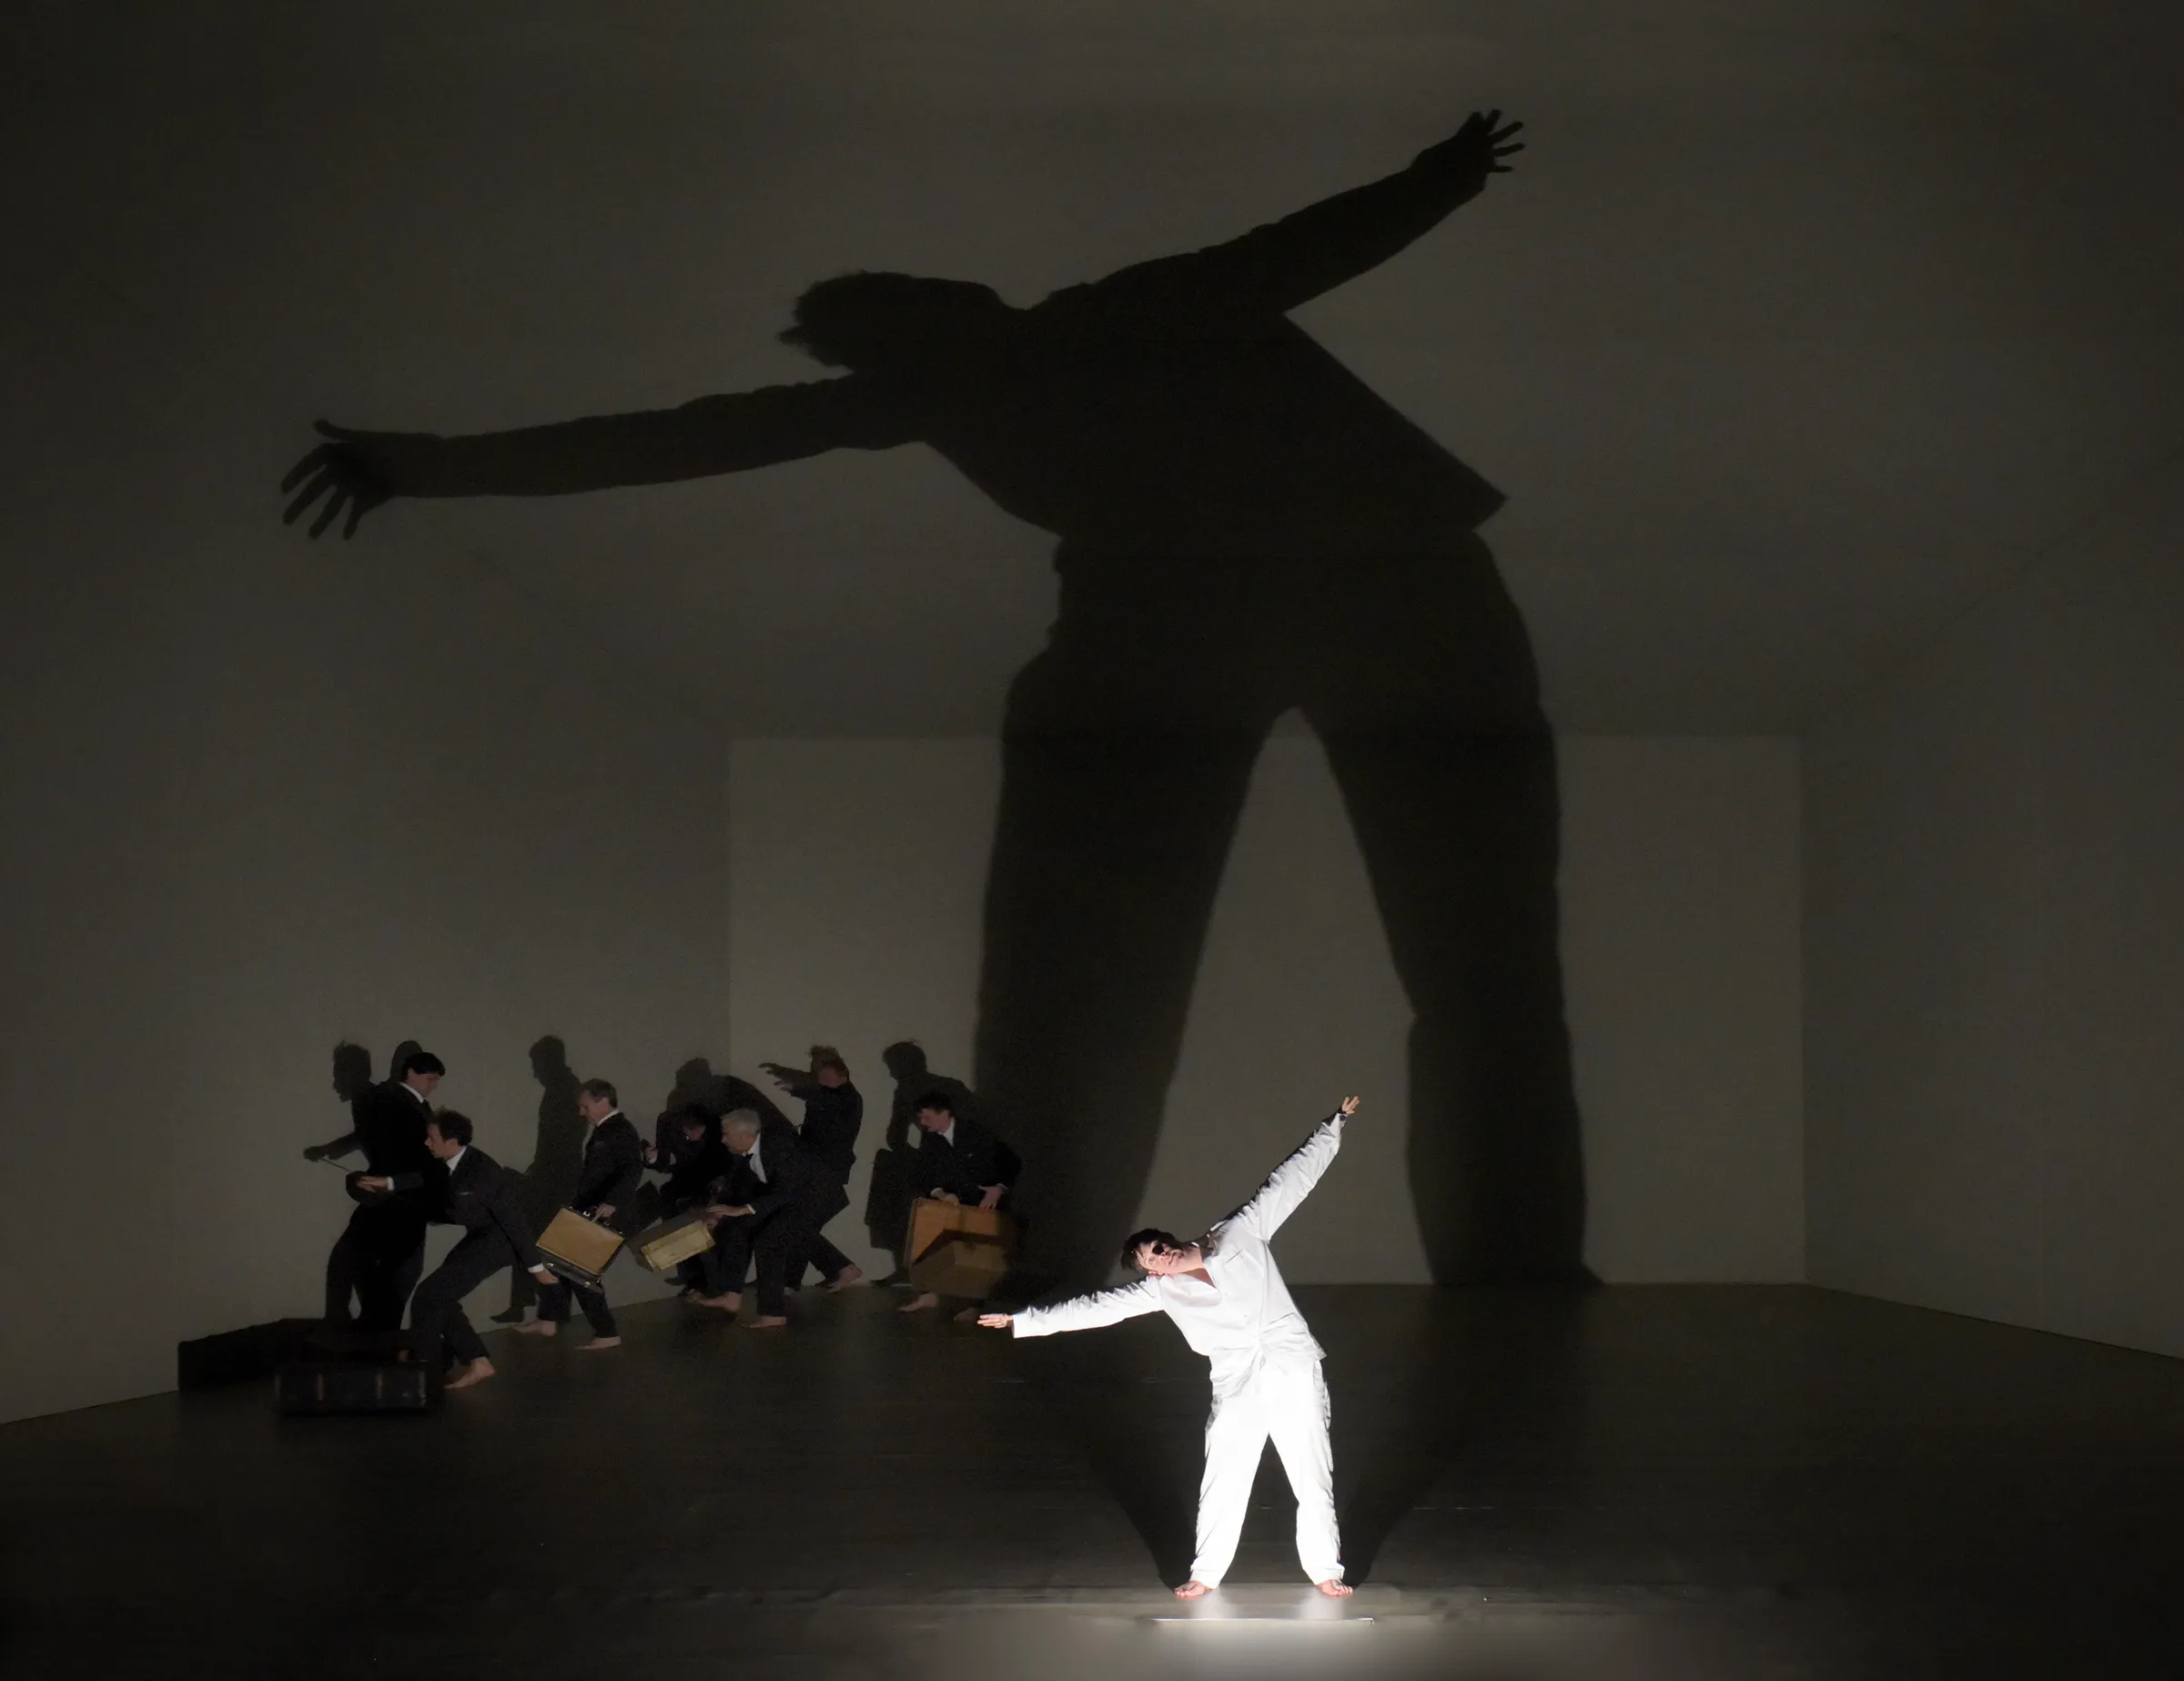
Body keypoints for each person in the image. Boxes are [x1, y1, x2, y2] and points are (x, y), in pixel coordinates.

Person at [281, 110, 1585, 1298]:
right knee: (1118, 982)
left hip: (1387, 581)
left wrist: (1442, 177)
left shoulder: (1112, 318)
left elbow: (1295, 250)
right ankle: (1070, 1262)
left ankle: (1511, 1266)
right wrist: (421, 465)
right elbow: (694, 433)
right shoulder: (959, 385)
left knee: (1474, 961)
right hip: (1225, 611)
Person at [979, 1097, 1362, 1600]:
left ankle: (1325, 1568)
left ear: (1170, 1240)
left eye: (1159, 1247)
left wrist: (1332, 1127)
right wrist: (1024, 1320)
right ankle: (1206, 1571)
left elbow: (1288, 1183)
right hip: (1237, 1382)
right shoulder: (1161, 1291)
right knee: (1224, 1477)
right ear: (1151, 1272)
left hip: (1292, 1366)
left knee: (1312, 1474)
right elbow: (1096, 1308)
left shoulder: (1240, 1232)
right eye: (1150, 1261)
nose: (1160, 1258)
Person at [405, 1111, 558, 1391]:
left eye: (432, 1138)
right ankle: (474, 1361)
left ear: (453, 1141)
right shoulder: (453, 1161)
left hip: (497, 1242)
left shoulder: (483, 1171)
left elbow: (514, 1221)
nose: (427, 1143)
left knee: (429, 1295)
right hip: (480, 1237)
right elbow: (425, 1180)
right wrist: (387, 1184)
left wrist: (536, 1268)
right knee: (439, 1297)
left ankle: (427, 1373)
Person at [519, 1078, 643, 1351]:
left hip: (606, 1214)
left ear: (603, 1101)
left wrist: (612, 1202)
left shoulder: (618, 1129)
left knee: (580, 1273)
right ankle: (549, 1319)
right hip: (593, 1210)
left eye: (585, 1106)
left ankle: (607, 1333)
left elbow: (633, 1168)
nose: (581, 1112)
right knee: (557, 1263)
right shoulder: (607, 1130)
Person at [698, 1109, 851, 1328]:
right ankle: (731, 1296)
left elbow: (786, 1191)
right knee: (740, 1227)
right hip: (790, 1196)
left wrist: (743, 1209)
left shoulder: (780, 1146)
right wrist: (720, 1213)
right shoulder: (741, 1151)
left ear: (744, 1135)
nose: (723, 1140)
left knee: (770, 1241)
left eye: (726, 1134)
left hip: (816, 1196)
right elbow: (738, 1184)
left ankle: (773, 1313)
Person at [334, 1048, 445, 1332]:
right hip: (398, 1200)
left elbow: (415, 1159)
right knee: (380, 1269)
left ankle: (376, 1331)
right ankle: (378, 1331)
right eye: (430, 1078)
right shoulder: (395, 1102)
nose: (434, 1085)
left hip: (398, 1200)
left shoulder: (395, 1101)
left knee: (376, 1267)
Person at [865, 1041, 983, 1280]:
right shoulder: (936, 1087)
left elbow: (897, 1136)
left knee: (901, 1181)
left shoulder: (925, 1088)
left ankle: (912, 1265)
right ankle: (906, 1265)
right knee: (892, 1170)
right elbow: (896, 1137)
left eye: (893, 1067)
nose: (891, 1074)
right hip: (947, 1157)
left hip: (960, 1160)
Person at [899, 1089, 1020, 1316]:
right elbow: (924, 1174)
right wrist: (941, 1194)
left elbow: (1010, 1162)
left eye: (927, 1117)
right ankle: (929, 1294)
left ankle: (975, 1305)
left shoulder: (976, 1132)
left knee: (979, 1253)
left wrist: (998, 1189)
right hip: (952, 1204)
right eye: (921, 1118)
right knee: (930, 1240)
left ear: (944, 1113)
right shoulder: (931, 1139)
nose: (923, 1123)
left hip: (984, 1203)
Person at [761, 1045, 864, 1291]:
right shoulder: (828, 1090)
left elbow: (822, 1097)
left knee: (794, 1224)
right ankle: (791, 1281)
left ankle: (842, 1267)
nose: (818, 1078)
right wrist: (781, 1071)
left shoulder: (846, 1097)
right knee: (802, 1226)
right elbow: (811, 1083)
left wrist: (796, 1089)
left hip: (824, 1173)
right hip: (818, 1170)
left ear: (841, 1074)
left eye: (822, 1073)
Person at [643, 1103, 735, 1296]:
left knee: (706, 1233)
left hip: (712, 1183)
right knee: (675, 1216)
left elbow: (730, 1162)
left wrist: (720, 1182)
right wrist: (653, 1158)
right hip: (684, 1183)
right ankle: (690, 1277)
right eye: (687, 1134)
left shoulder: (720, 1131)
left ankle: (709, 1283)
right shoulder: (669, 1125)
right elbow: (665, 1162)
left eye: (695, 1134)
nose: (690, 1138)